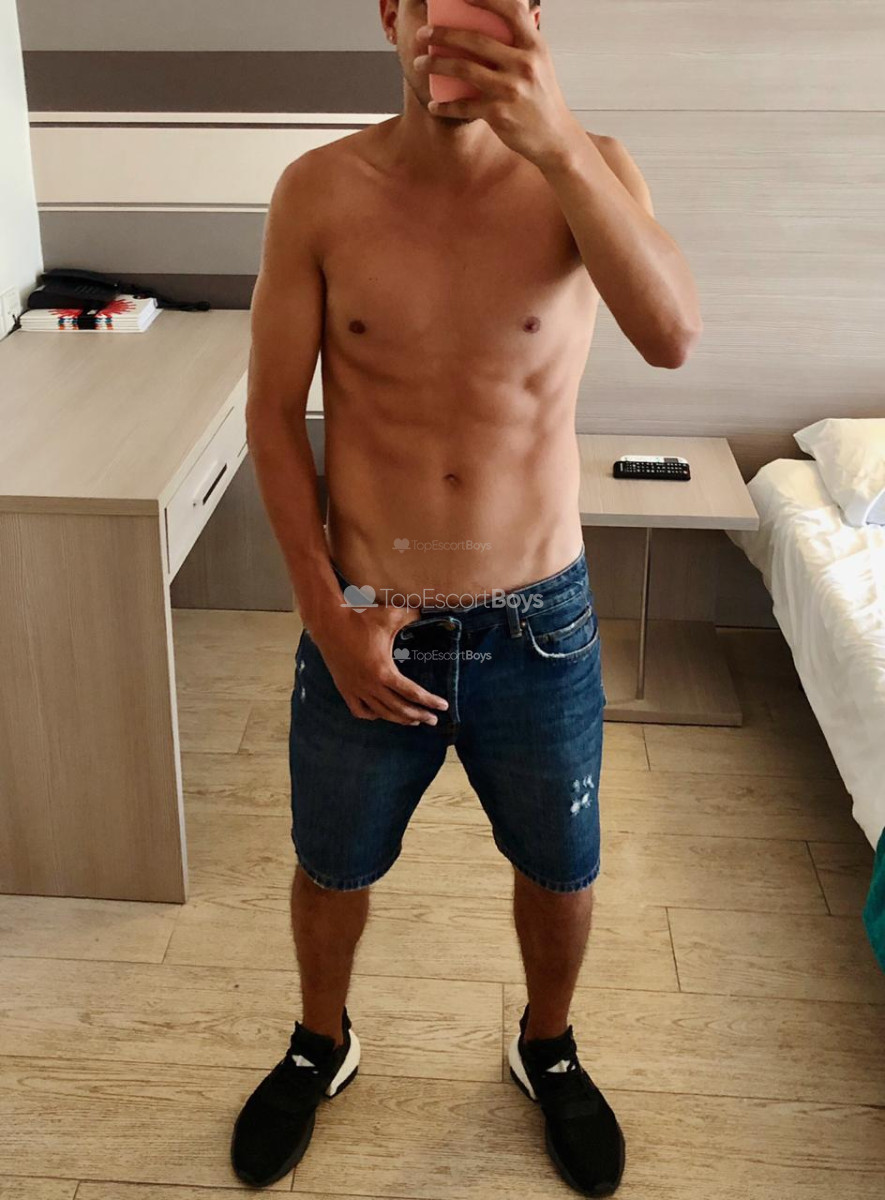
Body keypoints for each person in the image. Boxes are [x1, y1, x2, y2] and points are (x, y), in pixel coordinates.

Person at [231, 0, 702, 1193]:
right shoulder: (318, 190)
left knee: (562, 867)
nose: (455, 28)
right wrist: (324, 615)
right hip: (366, 618)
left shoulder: (594, 169)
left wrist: (557, 144)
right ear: (392, 15)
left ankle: (548, 1046)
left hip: (540, 622)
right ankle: (320, 1042)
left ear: (534, 17)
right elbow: (272, 417)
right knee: (332, 864)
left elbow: (672, 335)